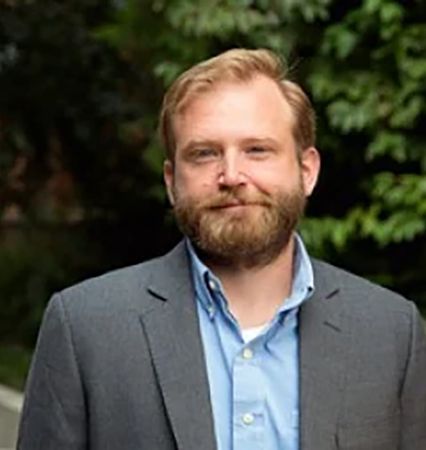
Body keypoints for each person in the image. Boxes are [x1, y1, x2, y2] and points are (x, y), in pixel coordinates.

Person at [18, 48, 426, 450]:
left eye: (257, 150)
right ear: (171, 181)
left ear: (307, 171)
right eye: (204, 154)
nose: (231, 175)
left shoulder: (391, 332)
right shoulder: (86, 327)